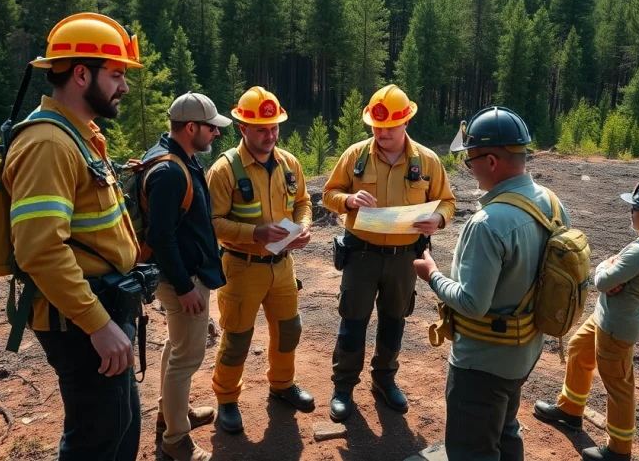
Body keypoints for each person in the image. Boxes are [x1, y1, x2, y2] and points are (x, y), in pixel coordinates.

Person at [3, 13, 142, 460]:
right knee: (94, 439)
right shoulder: (49, 144)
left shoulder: (82, 136)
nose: (124, 86)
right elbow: (40, 249)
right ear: (81, 74)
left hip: (103, 308)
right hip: (80, 322)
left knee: (120, 424)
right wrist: (99, 325)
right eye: (117, 74)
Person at [413, 106, 570, 461]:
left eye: (470, 162)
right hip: (525, 350)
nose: (469, 170)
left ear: (492, 162)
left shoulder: (487, 223)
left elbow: (472, 303)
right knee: (504, 428)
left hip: (482, 361)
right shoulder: (551, 202)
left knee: (472, 448)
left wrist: (432, 274)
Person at [322, 84, 457, 422]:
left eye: (389, 127)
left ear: (406, 123)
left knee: (394, 321)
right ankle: (343, 386)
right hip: (361, 255)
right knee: (352, 321)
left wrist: (438, 218)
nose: (381, 133)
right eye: (376, 127)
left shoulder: (426, 160)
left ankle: (384, 378)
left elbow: (448, 202)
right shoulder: (355, 156)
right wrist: (348, 201)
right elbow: (329, 193)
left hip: (404, 258)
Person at [533, 181, 639, 461]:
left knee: (619, 386)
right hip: (608, 317)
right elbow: (615, 278)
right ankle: (570, 410)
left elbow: (601, 280)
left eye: (635, 208)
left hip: (617, 326)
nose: (631, 212)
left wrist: (606, 264)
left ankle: (618, 450)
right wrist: (616, 271)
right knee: (579, 348)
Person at [206, 86, 314, 434]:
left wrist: (303, 226)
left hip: (282, 267)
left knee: (289, 331)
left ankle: (282, 384)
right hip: (241, 268)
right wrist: (254, 233)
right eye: (262, 129)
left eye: (274, 128)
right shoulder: (224, 169)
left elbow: (303, 202)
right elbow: (212, 222)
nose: (270, 136)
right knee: (237, 338)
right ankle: (226, 398)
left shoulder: (288, 163)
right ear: (242, 128)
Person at [144, 92, 232, 461]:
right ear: (191, 127)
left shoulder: (180, 158)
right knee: (187, 357)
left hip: (185, 276)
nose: (216, 134)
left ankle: (172, 414)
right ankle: (176, 441)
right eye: (211, 128)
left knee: (176, 347)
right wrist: (183, 287)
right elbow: (159, 237)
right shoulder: (168, 171)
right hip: (181, 280)